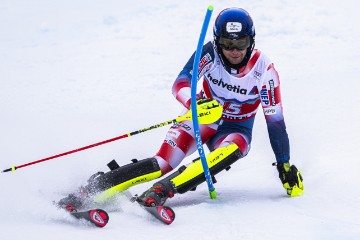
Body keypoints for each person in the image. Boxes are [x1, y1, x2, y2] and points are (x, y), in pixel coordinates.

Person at [58, 7, 304, 211]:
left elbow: (276, 122)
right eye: (228, 43)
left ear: (252, 40)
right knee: (163, 162)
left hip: (235, 128)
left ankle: (161, 191)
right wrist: (193, 104)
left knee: (239, 145)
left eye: (241, 42)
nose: (235, 50)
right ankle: (92, 190)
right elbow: (181, 83)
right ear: (218, 41)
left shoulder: (264, 70)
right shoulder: (209, 53)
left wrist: (284, 164)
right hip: (202, 118)